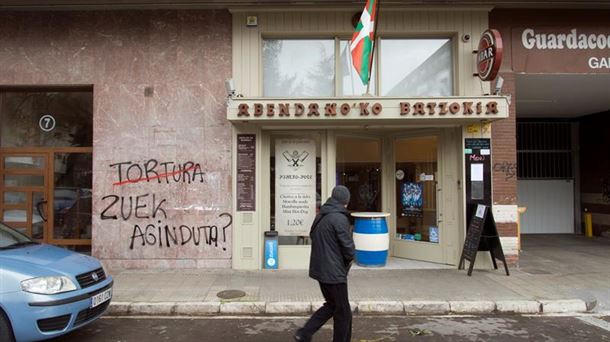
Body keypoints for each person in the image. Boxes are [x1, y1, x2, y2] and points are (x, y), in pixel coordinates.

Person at [294, 185, 355, 342]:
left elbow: (314, 236)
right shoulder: (339, 218)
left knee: (334, 306)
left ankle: (304, 333)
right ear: (345, 201)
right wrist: (346, 262)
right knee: (342, 312)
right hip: (334, 273)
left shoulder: (321, 215)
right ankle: (305, 333)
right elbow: (348, 248)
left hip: (321, 270)